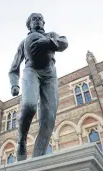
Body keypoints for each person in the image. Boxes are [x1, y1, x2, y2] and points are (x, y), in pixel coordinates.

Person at [9, 13, 68, 161]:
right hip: (31, 71)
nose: (37, 21)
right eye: (34, 19)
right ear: (29, 24)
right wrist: (14, 84)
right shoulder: (24, 42)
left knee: (49, 118)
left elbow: (64, 42)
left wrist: (48, 42)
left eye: (40, 18)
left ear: (43, 22)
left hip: (49, 74)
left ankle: (37, 158)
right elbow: (14, 68)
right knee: (29, 106)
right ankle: (21, 141)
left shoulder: (51, 35)